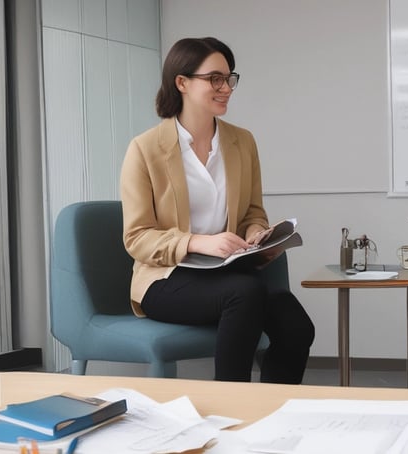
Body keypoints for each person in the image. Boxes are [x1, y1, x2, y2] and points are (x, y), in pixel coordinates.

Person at [120, 37, 314, 383]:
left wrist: (256, 233)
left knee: (296, 325)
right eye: (215, 79)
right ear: (182, 82)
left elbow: (253, 211)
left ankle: (272, 412)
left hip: (225, 274)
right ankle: (231, 406)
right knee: (245, 293)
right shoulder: (145, 149)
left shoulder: (242, 142)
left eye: (229, 79)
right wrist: (197, 242)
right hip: (166, 279)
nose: (226, 88)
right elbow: (137, 238)